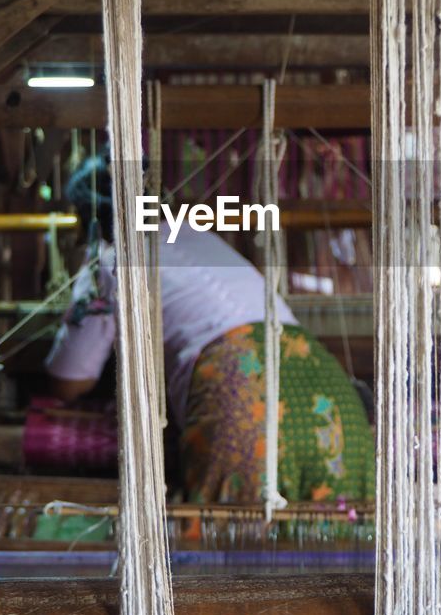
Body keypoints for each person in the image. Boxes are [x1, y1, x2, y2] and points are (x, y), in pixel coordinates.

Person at [46, 153, 374, 505]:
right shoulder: (197, 235)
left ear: (86, 216)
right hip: (327, 390)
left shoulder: (111, 258)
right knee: (335, 543)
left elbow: (70, 380)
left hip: (242, 397)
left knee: (234, 548)